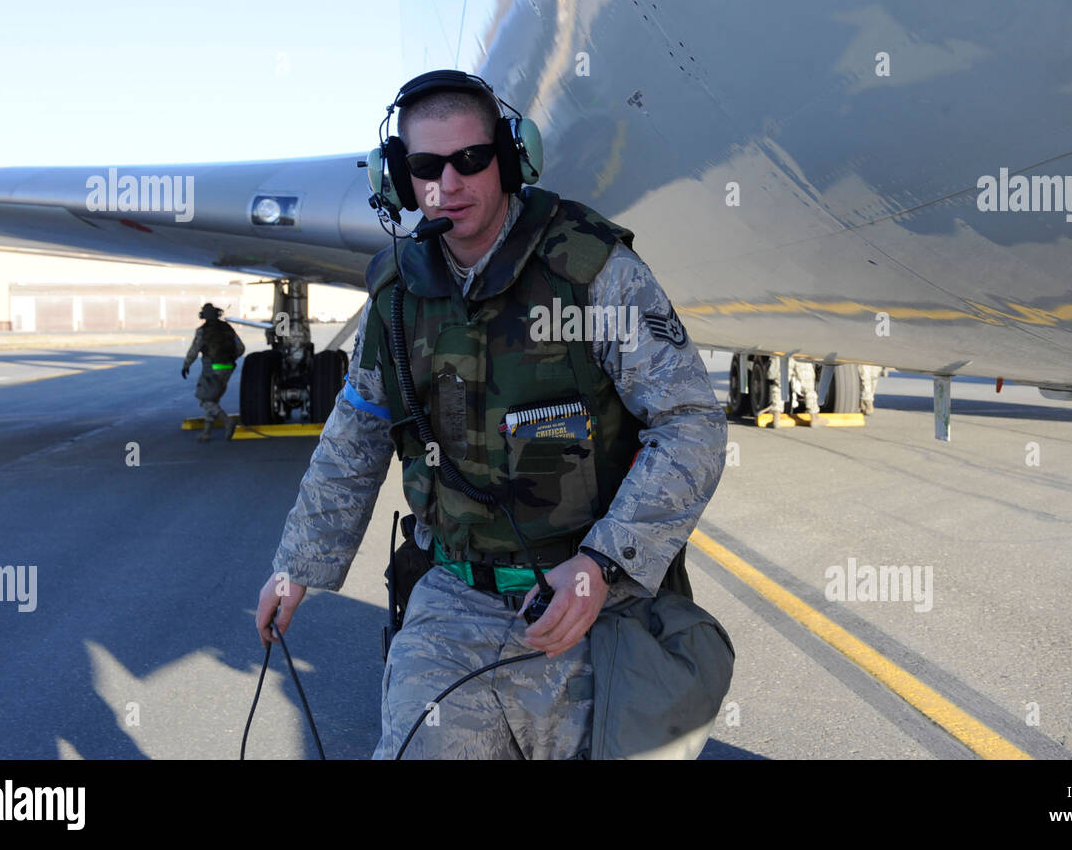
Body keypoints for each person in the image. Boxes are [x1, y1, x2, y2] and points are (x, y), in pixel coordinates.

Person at [255, 71, 728, 759]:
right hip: (455, 602)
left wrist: (603, 563)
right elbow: (353, 438)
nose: (448, 183)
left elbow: (690, 422)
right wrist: (295, 566)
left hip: (592, 604)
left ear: (509, 157)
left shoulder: (593, 272)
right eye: (424, 167)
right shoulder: (395, 296)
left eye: (470, 160)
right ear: (399, 178)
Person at [181, 303, 244, 442]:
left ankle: (227, 422)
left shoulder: (202, 331)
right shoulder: (228, 328)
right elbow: (241, 348)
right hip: (228, 367)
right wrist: (229, 358)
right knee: (214, 398)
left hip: (212, 368)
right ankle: (206, 432)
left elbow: (194, 350)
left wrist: (186, 365)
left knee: (205, 399)